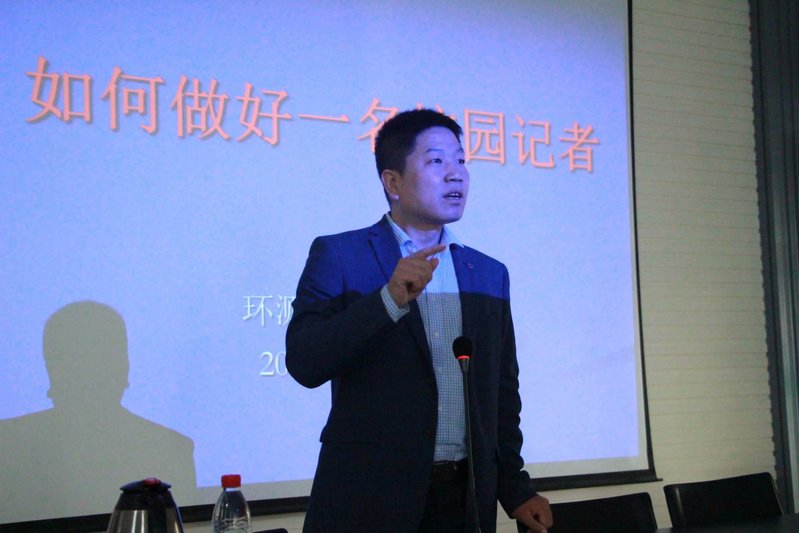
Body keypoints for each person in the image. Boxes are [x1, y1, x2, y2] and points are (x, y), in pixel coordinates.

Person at [286, 109, 552, 533]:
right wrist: (387, 300)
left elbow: (501, 391)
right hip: (369, 502)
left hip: (463, 501)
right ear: (392, 182)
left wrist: (515, 488)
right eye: (436, 161)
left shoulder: (488, 275)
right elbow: (304, 361)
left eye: (461, 160)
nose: (455, 174)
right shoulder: (340, 256)